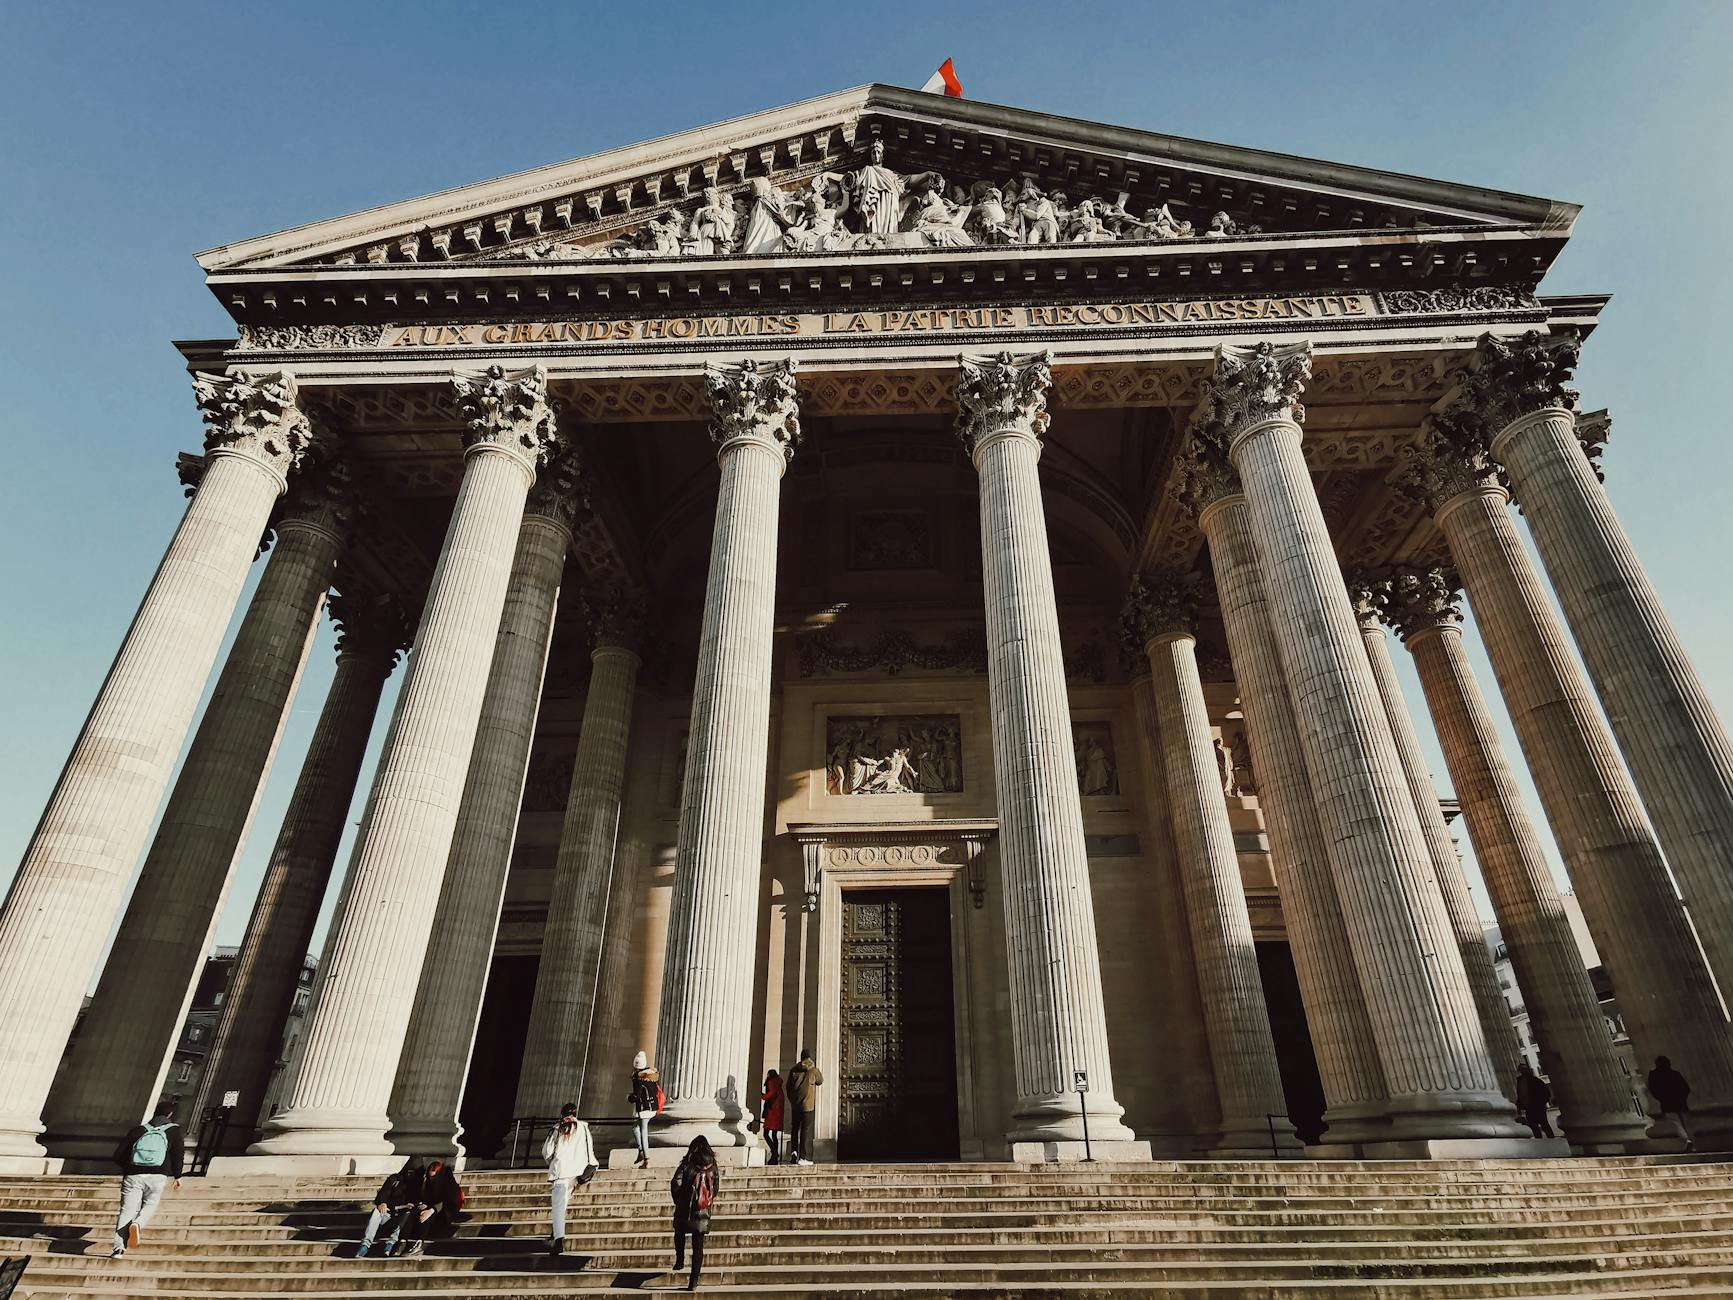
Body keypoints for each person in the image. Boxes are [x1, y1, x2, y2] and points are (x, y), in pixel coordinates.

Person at [110, 1099, 184, 1257]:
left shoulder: (138, 1130)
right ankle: (138, 1224)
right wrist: (177, 1176)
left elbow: (118, 1155)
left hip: (133, 1175)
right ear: (170, 1114)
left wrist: (129, 1168)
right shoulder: (174, 1131)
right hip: (158, 1175)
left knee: (126, 1211)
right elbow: (178, 1155)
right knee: (150, 1203)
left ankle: (118, 1249)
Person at [542, 1102, 598, 1256]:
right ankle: (555, 1233)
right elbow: (589, 1149)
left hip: (560, 1172)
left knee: (559, 1205)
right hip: (576, 1171)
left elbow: (546, 1152)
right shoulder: (583, 1127)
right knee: (563, 1203)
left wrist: (552, 1162)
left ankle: (559, 1239)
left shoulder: (556, 1128)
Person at [670, 1136, 719, 1291]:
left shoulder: (686, 1164)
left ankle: (680, 1259)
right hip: (702, 1211)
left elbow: (675, 1183)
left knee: (679, 1232)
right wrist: (705, 1202)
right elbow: (715, 1188)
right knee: (698, 1247)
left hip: (685, 1209)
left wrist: (679, 1200)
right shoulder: (713, 1166)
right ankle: (693, 1281)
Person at [356, 1157, 424, 1258]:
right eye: (409, 1171)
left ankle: (390, 1244)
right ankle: (365, 1245)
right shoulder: (394, 1179)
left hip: (402, 1216)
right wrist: (382, 1202)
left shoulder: (418, 1184)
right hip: (387, 1213)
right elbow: (382, 1195)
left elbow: (415, 1204)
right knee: (376, 1211)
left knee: (407, 1214)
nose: (410, 1174)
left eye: (413, 1172)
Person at [394, 1157, 462, 1256]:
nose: (430, 1178)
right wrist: (420, 1204)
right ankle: (403, 1242)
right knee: (412, 1214)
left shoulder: (447, 1182)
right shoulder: (422, 1179)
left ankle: (419, 1243)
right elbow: (418, 1196)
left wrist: (432, 1209)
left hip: (443, 1211)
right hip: (427, 1207)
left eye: (433, 1177)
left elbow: (448, 1200)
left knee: (427, 1216)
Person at [786, 1048, 823, 1165]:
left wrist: (792, 1100)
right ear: (809, 1057)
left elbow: (788, 1087)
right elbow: (820, 1081)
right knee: (805, 1131)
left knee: (794, 1129)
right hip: (807, 1105)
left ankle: (793, 1152)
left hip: (795, 1105)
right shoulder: (813, 1070)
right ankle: (803, 1157)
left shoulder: (793, 1070)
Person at [1649, 1055, 1694, 1150]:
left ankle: (1687, 1140)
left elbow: (1653, 1089)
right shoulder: (1675, 1074)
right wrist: (1682, 1097)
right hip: (1680, 1101)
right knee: (1686, 1122)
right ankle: (1690, 1140)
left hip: (1667, 1103)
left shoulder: (1654, 1075)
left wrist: (1662, 1098)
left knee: (1676, 1123)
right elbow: (1686, 1088)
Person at [629, 1050, 662, 1168]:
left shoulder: (639, 1078)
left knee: (643, 1131)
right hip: (652, 1106)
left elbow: (636, 1096)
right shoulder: (651, 1075)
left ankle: (646, 1158)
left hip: (644, 1108)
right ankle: (641, 1152)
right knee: (636, 1127)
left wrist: (629, 1097)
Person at [1514, 1063, 1555, 1138]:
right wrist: (1519, 1106)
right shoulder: (1520, 1082)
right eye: (1522, 1069)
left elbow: (1546, 1093)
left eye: (1525, 1069)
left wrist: (1541, 1103)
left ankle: (1551, 1139)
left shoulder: (1535, 1081)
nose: (1523, 1071)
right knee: (1533, 1125)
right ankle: (1540, 1140)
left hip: (1538, 1107)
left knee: (1544, 1124)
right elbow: (1520, 1095)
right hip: (1529, 1107)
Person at [759, 1069, 786, 1165]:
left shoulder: (772, 1083)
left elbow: (771, 1094)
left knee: (766, 1134)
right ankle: (775, 1154)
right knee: (774, 1135)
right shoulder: (779, 1086)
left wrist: (763, 1096)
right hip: (777, 1113)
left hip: (772, 1112)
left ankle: (774, 1153)